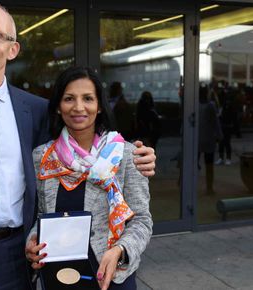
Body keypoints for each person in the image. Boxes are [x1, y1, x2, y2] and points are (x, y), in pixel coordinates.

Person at [0, 3, 156, 290]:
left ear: (13, 49)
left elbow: (83, 143)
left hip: (17, 258)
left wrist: (140, 156)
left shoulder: (35, 111)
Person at [25, 66, 152, 290]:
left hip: (111, 278)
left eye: (88, 98)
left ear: (100, 106)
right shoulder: (43, 157)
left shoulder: (125, 155)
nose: (78, 107)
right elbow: (42, 215)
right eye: (69, 99)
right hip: (59, 278)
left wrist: (120, 251)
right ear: (57, 107)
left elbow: (141, 220)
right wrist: (33, 241)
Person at [198, 85, 222, 194]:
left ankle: (188, 183)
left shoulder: (195, 105)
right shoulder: (210, 106)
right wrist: (220, 135)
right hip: (208, 139)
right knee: (209, 164)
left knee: (193, 163)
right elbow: (216, 122)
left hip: (196, 139)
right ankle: (209, 187)